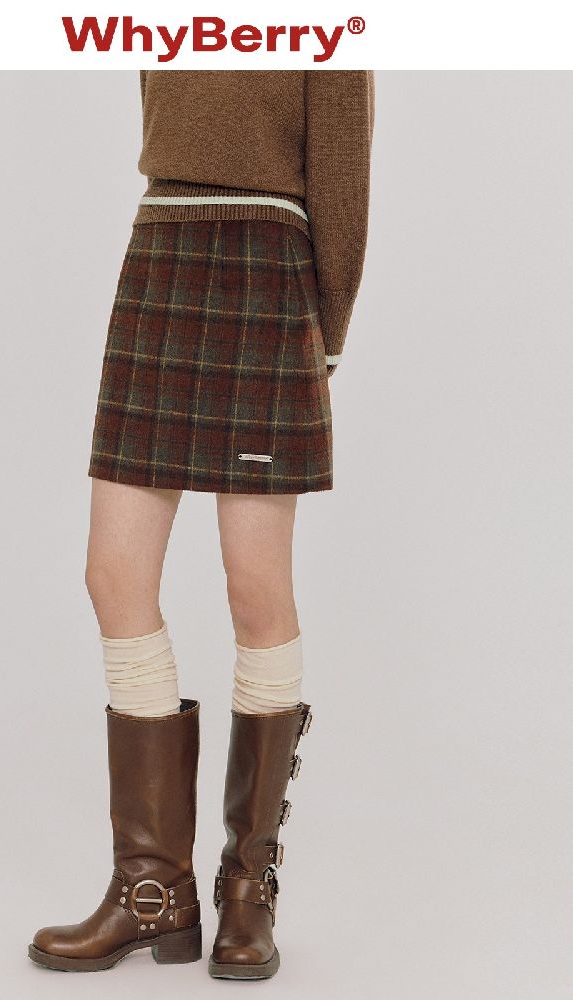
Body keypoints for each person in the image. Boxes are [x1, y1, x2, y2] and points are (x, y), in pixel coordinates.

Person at [28, 68, 375, 979]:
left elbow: (343, 178)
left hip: (268, 266)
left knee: (255, 588)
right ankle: (154, 891)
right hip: (162, 244)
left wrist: (324, 334)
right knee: (114, 574)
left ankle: (247, 891)